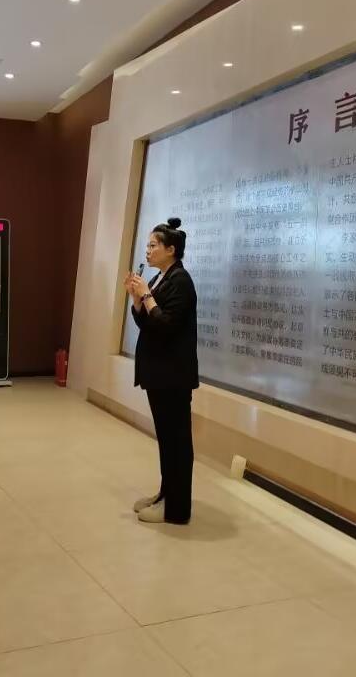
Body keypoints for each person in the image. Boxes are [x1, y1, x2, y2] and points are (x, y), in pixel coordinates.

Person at [124, 218, 198, 526]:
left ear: (171, 250)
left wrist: (147, 296)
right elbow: (148, 324)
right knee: (167, 440)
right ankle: (166, 495)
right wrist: (136, 299)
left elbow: (167, 325)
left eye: (153, 245)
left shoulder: (180, 280)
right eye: (148, 245)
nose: (148, 250)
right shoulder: (160, 277)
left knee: (177, 442)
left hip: (173, 375)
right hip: (159, 372)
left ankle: (177, 509)